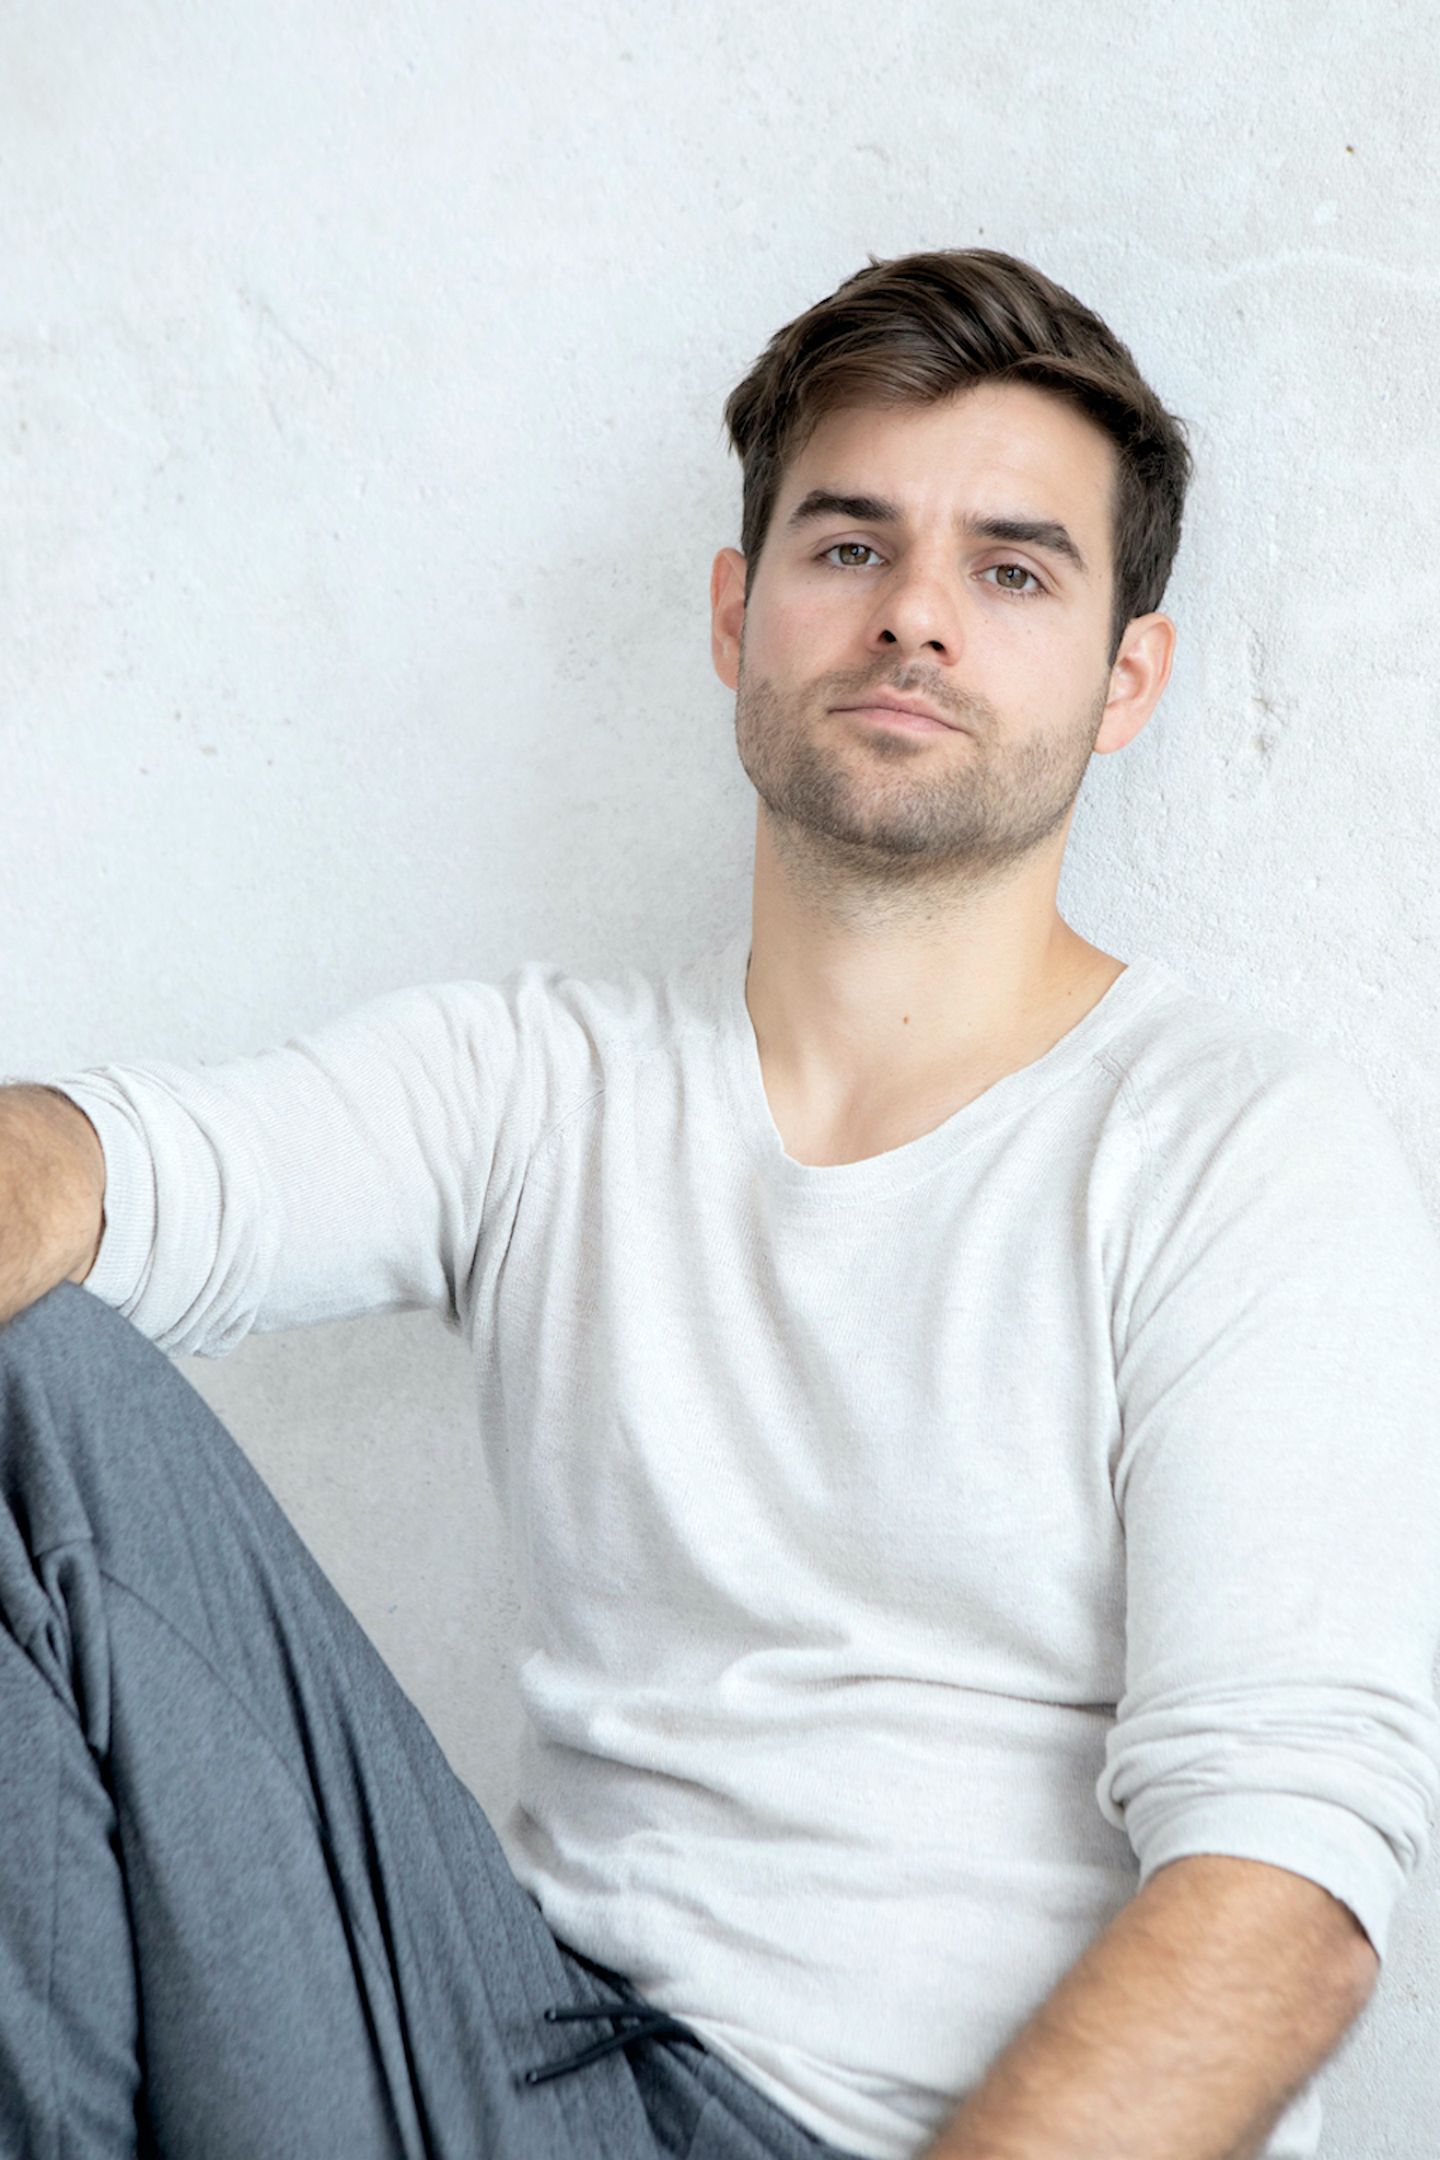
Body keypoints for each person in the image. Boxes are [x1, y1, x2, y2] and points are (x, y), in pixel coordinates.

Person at [3, 247, 1438, 2160]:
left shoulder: (1237, 1148)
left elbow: (1284, 1895)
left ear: (1128, 681)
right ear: (735, 613)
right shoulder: (542, 1084)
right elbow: (102, 1166)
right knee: (31, 1374)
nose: (915, 615)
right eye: (850, 546)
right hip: (517, 2071)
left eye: (1014, 572)